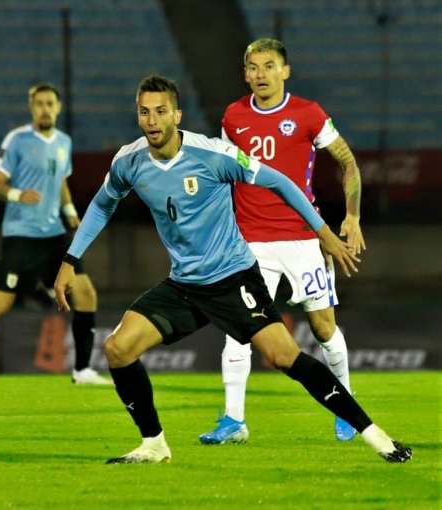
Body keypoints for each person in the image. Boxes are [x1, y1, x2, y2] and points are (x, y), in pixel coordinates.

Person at [53, 75, 411, 464]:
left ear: (177, 114)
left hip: (233, 278)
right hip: (184, 284)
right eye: (144, 112)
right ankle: (154, 443)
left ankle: (377, 437)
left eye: (160, 111)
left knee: (283, 357)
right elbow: (104, 203)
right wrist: (70, 260)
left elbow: (280, 182)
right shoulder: (129, 161)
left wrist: (321, 231)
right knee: (118, 349)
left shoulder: (212, 155)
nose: (152, 120)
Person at [200, 38, 366, 445]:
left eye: (269, 66)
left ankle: (346, 404)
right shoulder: (233, 116)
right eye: (253, 67)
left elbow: (347, 161)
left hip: (303, 238)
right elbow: (222, 172)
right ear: (245, 73)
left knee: (323, 328)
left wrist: (353, 215)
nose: (261, 74)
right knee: (238, 330)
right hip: (250, 242)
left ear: (285, 71)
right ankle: (234, 421)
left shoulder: (308, 114)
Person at [0, 83, 110, 386]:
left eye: (49, 103)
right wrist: (17, 194)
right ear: (31, 108)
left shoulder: (64, 142)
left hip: (54, 237)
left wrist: (69, 213)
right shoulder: (16, 140)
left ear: (58, 107)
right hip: (21, 238)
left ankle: (82, 370)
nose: (44, 108)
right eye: (38, 103)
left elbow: (61, 181)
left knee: (85, 293)